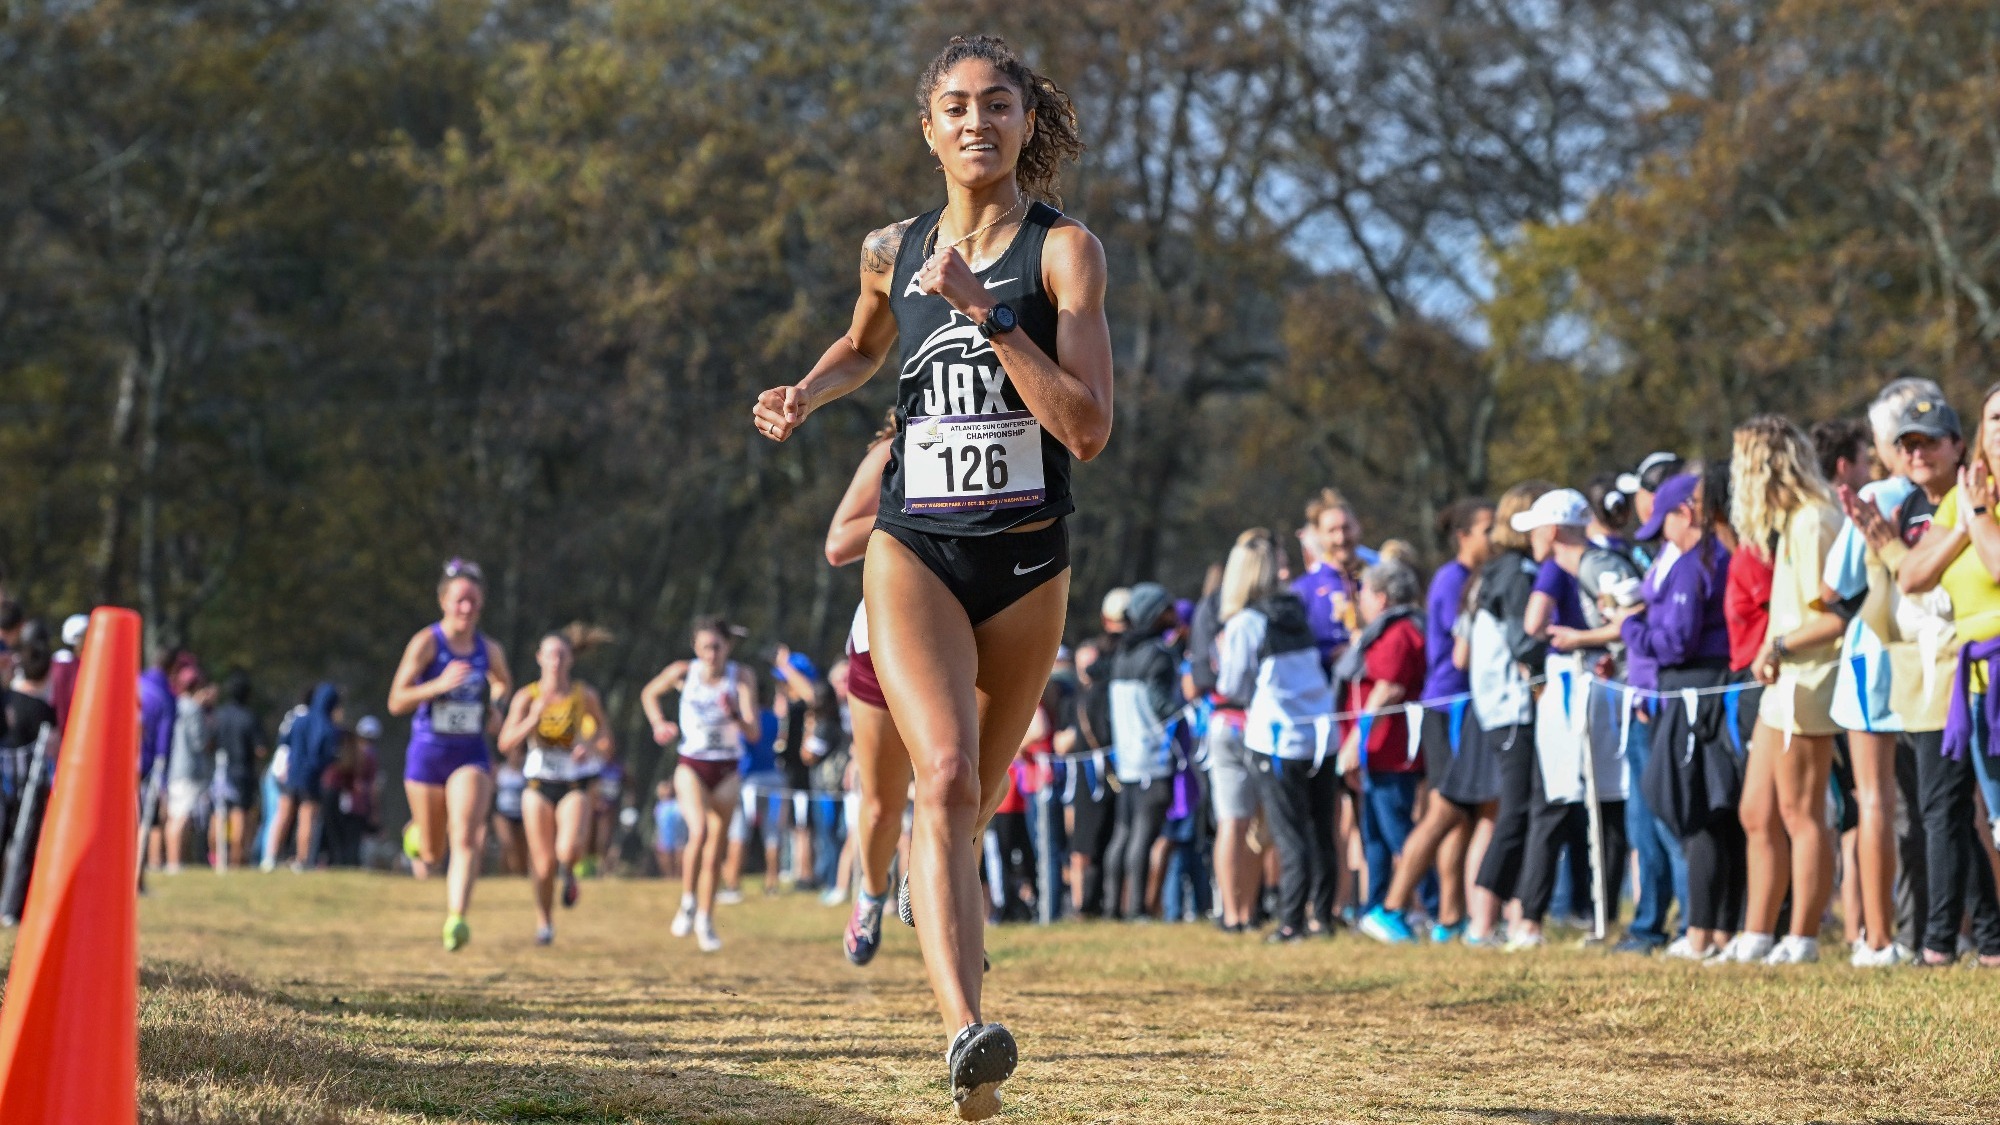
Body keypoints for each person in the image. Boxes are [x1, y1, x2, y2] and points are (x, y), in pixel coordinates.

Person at [749, 34, 1111, 1118]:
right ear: (927, 128)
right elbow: (865, 345)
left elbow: (1086, 430)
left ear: (1023, 121)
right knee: (942, 775)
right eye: (953, 106)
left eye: (995, 105)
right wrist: (809, 392)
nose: (973, 123)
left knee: (977, 796)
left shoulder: (1064, 254)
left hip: (1028, 557)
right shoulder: (886, 248)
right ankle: (967, 1031)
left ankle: (933, 886)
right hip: (915, 546)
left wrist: (989, 314)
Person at [1718, 417, 1846, 965]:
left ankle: (1803, 938)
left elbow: (1835, 615)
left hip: (1809, 680)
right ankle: (1756, 934)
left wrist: (1781, 647)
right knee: (1756, 811)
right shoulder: (1793, 522)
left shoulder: (1815, 519)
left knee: (1802, 812)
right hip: (1783, 682)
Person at [1359, 499, 1494, 945]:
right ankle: (1391, 907)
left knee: (1462, 816)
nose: (1494, 537)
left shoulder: (1466, 578)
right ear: (1463, 536)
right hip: (1449, 706)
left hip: (1462, 704)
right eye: (1487, 529)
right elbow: (1462, 650)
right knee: (1444, 811)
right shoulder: (1453, 580)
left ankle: (1450, 917)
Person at [1897, 383, 2000, 966]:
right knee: (1965, 814)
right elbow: (1911, 575)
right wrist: (1964, 518)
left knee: (1952, 813)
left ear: (1958, 444)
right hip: (1970, 685)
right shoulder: (1955, 499)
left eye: (1929, 443)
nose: (1917, 455)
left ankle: (1952, 939)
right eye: (1995, 416)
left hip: (1975, 674)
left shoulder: (1973, 499)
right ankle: (1981, 941)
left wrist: (1975, 514)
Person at [1619, 474, 1739, 960]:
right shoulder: (1712, 559)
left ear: (1684, 515)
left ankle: (1702, 930)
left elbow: (1676, 642)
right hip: (1705, 691)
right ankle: (1718, 931)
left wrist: (1631, 627)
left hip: (1693, 693)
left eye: (1664, 525)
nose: (1662, 537)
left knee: (1696, 809)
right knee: (1714, 811)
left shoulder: (1692, 567)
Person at [1215, 529, 1338, 942]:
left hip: (1276, 737)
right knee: (1322, 829)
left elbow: (1232, 685)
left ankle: (1290, 923)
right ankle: (1322, 916)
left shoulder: (1247, 623)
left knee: (1289, 834)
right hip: (1321, 733)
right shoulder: (1296, 610)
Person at [824, 416, 915, 963]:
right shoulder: (892, 452)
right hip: (884, 637)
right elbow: (837, 546)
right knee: (882, 808)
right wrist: (912, 505)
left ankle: (943, 902)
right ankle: (870, 894)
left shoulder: (1007, 433)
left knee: (956, 781)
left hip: (970, 629)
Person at [388, 558, 512, 952]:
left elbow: (502, 684)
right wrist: (437, 685)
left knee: (467, 834)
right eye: (459, 600)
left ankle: (457, 917)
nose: (466, 608)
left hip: (469, 754)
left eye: (473, 601)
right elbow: (396, 701)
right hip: (427, 755)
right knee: (432, 850)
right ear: (443, 601)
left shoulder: (489, 650)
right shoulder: (427, 643)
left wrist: (495, 706)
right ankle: (416, 835)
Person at [1467, 481, 1557, 947]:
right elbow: (1526, 640)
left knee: (1516, 809)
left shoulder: (1501, 569)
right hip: (1512, 705)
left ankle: (1496, 918)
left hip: (1504, 704)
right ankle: (1483, 921)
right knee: (1516, 810)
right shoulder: (1517, 572)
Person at [642, 616, 758, 954]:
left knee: (715, 850)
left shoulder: (742, 676)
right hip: (691, 764)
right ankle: (688, 901)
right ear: (695, 648)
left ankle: (706, 919)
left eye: (717, 647)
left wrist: (735, 712)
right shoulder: (683, 672)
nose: (711, 654)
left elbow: (753, 733)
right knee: (699, 833)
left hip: (727, 768)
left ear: (727, 647)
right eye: (705, 647)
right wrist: (658, 723)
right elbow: (649, 692)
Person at [499, 627, 614, 945]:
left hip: (573, 783)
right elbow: (505, 742)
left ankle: (571, 873)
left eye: (562, 655)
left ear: (570, 660)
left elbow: (606, 739)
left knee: (569, 850)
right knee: (544, 861)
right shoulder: (527, 697)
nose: (556, 661)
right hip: (537, 785)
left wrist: (590, 746)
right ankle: (545, 923)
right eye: (550, 654)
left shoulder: (583, 695)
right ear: (539, 658)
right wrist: (529, 721)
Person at [1334, 560, 1427, 921]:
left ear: (1382, 597)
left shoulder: (1399, 632)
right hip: (1376, 752)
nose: (1361, 603)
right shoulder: (1382, 630)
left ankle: (1430, 907)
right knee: (1373, 836)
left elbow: (1388, 689)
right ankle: (1376, 908)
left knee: (1399, 833)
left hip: (1390, 749)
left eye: (1365, 595)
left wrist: (1355, 742)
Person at [1200, 535, 1274, 932]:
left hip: (1226, 724)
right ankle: (1235, 910)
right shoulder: (1250, 622)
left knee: (1239, 822)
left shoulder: (1231, 622)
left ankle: (1238, 911)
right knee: (1240, 823)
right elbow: (1232, 684)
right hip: (1243, 723)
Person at [1107, 583, 1185, 920]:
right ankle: (1137, 908)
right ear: (1154, 614)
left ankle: (1112, 908)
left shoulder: (1122, 654)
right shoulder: (1157, 655)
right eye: (1167, 608)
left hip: (1126, 759)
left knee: (1122, 834)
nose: (1174, 615)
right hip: (1152, 759)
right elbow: (1161, 705)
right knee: (1143, 835)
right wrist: (1184, 709)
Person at [1293, 489, 1375, 670]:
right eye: (1332, 531)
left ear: (1357, 526)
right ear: (1318, 534)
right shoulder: (1304, 589)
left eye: (1346, 528)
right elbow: (1296, 651)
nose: (1341, 538)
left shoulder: (1378, 580)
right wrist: (1328, 655)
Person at [210, 671, 267, 869]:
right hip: (243, 771)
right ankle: (236, 858)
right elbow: (260, 750)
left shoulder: (219, 715)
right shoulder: (250, 718)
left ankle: (216, 856)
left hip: (221, 770)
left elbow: (210, 742)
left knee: (218, 813)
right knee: (239, 814)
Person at [162, 662, 215, 873]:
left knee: (174, 815)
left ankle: (172, 860)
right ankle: (175, 862)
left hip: (174, 767)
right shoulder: (192, 709)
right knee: (182, 816)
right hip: (189, 769)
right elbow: (198, 742)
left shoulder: (174, 704)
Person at [653, 778, 688, 878]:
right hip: (664, 834)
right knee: (665, 854)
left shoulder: (677, 804)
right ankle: (668, 875)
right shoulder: (659, 806)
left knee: (679, 853)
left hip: (678, 833)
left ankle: (679, 875)